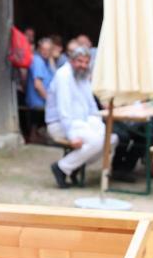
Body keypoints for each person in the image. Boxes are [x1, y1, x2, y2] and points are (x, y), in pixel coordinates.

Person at [45, 47, 118, 188]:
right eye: (79, 61)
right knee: (97, 141)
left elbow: (91, 106)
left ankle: (75, 166)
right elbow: (63, 110)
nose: (83, 65)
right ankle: (61, 167)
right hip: (60, 124)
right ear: (71, 61)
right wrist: (72, 136)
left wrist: (101, 126)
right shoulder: (63, 76)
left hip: (83, 123)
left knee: (112, 139)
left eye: (86, 62)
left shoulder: (83, 76)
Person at [26, 37, 55, 109]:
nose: (45, 52)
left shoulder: (47, 62)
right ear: (39, 49)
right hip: (38, 106)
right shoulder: (38, 61)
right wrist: (51, 102)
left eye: (48, 50)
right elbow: (38, 85)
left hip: (42, 105)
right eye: (43, 49)